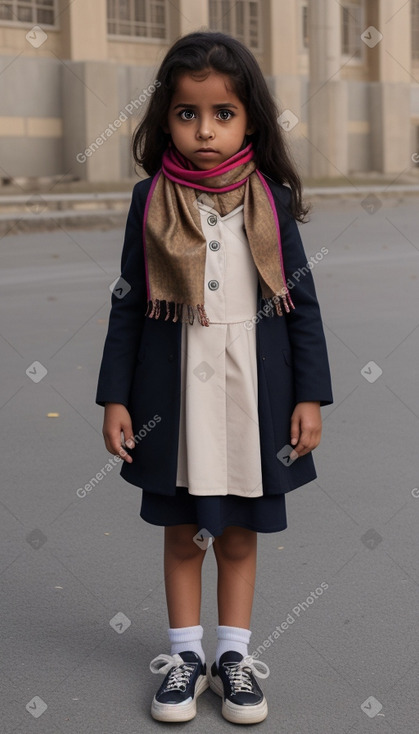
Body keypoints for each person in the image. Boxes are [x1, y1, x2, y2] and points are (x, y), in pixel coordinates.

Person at [96, 31, 333, 725]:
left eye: (222, 114)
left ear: (250, 119)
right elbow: (128, 305)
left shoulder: (272, 201)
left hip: (251, 395)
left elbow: (302, 306)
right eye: (187, 113)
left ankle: (232, 658)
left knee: (234, 535)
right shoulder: (150, 201)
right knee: (180, 533)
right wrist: (115, 397)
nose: (205, 130)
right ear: (164, 119)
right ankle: (183, 660)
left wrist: (309, 396)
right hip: (171, 398)